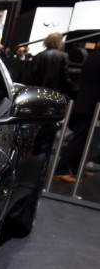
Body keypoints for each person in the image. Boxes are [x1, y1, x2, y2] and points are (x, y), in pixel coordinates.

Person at [54, 45, 100, 182]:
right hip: (91, 104)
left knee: (84, 139)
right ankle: (61, 170)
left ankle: (76, 168)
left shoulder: (93, 55)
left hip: (86, 102)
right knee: (81, 139)